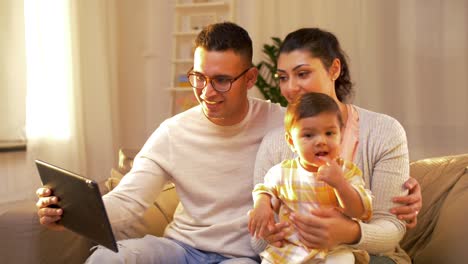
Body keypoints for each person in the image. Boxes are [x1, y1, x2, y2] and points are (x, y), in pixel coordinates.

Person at [36, 22, 286, 263]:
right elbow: (128, 201)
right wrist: (69, 212)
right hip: (180, 248)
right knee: (107, 258)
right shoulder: (173, 132)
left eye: (221, 80)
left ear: (251, 78)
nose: (206, 92)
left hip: (239, 257)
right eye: (199, 77)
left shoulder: (282, 124)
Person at [251, 28, 421, 264]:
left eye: (302, 73)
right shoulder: (274, 143)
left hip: (369, 257)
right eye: (282, 77)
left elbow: (392, 229)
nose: (290, 88)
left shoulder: (384, 131)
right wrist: (269, 230)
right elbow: (257, 241)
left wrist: (348, 232)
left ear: (334, 69)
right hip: (292, 256)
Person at [249, 92, 373, 264]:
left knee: (344, 259)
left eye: (329, 133)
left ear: (341, 136)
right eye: (308, 135)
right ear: (291, 142)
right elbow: (264, 189)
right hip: (290, 248)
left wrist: (340, 185)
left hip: (332, 249)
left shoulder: (346, 172)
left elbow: (360, 211)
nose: (321, 141)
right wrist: (262, 204)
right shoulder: (282, 172)